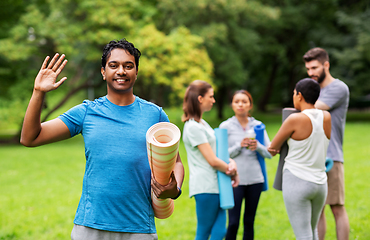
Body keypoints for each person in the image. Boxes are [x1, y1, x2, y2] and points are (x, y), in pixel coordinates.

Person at [20, 39, 184, 240]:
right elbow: (30, 137)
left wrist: (174, 190)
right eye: (113, 65)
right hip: (90, 227)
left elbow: (176, 162)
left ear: (136, 72)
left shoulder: (154, 115)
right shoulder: (86, 112)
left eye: (128, 66)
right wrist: (38, 92)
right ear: (103, 72)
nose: (121, 71)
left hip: (139, 227)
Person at [268, 78, 332, 240]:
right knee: (313, 232)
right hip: (320, 183)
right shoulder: (327, 117)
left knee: (303, 235)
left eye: (294, 93)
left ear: (300, 96)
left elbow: (273, 149)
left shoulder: (295, 119)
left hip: (297, 181)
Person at [181, 80, 239, 240]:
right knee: (204, 232)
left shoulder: (203, 124)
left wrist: (231, 163)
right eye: (211, 97)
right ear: (200, 99)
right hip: (205, 186)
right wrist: (232, 170)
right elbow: (212, 160)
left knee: (220, 232)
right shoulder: (193, 127)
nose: (214, 100)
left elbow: (218, 153)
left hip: (217, 184)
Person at [303, 47, 350, 240]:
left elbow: (311, 109)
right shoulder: (314, 89)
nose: (311, 73)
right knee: (318, 210)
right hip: (313, 157)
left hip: (332, 156)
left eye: (314, 67)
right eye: (308, 69)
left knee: (337, 208)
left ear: (326, 65)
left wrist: (300, 100)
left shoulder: (338, 88)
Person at [219, 90, 272, 240]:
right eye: (237, 102)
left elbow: (269, 153)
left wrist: (258, 146)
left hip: (255, 179)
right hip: (235, 180)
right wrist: (239, 146)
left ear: (250, 105)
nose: (240, 105)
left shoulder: (258, 126)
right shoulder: (225, 126)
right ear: (232, 105)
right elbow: (221, 156)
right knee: (233, 223)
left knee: (249, 221)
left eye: (244, 101)